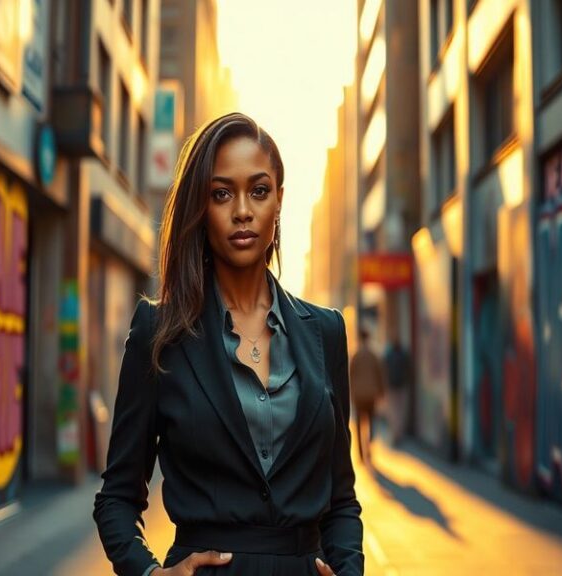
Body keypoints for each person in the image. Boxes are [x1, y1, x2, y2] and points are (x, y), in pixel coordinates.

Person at [93, 113, 363, 576]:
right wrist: (150, 573)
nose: (242, 210)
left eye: (258, 191)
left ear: (279, 200)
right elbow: (117, 497)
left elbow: (341, 500)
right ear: (202, 206)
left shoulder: (326, 333)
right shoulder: (159, 332)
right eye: (222, 194)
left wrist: (349, 571)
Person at [349, 328, 386, 464]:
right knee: (371, 422)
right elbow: (379, 374)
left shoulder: (356, 355)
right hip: (371, 394)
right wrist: (381, 391)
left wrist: (351, 393)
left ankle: (360, 455)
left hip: (359, 395)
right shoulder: (372, 355)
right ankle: (369, 448)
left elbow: (350, 375)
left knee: (359, 424)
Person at [384, 337, 413, 444]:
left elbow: (384, 369)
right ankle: (398, 433)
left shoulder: (389, 356)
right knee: (400, 411)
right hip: (401, 385)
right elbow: (409, 369)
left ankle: (395, 433)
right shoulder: (404, 355)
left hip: (391, 386)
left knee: (393, 411)